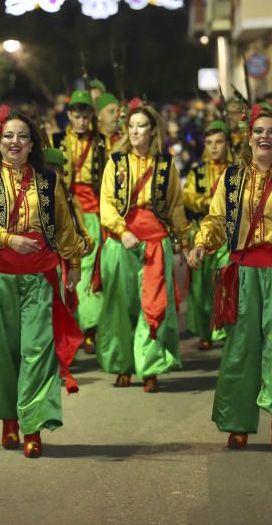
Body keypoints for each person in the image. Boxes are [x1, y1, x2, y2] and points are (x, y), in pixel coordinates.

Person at [188, 109, 272, 458]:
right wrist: (203, 244)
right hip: (244, 273)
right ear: (248, 138)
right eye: (259, 131)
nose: (265, 137)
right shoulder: (232, 178)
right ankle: (237, 423)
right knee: (241, 352)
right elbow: (217, 218)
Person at [0, 109, 85, 458]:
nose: (15, 142)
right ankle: (8, 421)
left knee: (38, 352)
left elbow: (64, 226)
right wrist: (8, 239)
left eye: (22, 136)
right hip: (0, 278)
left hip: (40, 278)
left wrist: (73, 262)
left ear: (32, 144)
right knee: (3, 354)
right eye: (8, 136)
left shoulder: (48, 182)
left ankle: (32, 426)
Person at [94, 103, 190, 392]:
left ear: (153, 131)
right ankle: (123, 365)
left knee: (154, 304)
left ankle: (149, 367)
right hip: (121, 242)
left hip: (155, 242)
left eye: (141, 126)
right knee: (120, 307)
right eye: (131, 126)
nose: (135, 131)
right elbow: (106, 202)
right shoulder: (116, 162)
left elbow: (175, 206)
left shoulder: (165, 165)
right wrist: (121, 231)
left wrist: (185, 241)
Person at [52, 90, 107, 353]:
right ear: (69, 115)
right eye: (77, 115)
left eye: (86, 115)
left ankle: (90, 327)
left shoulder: (101, 143)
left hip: (92, 213)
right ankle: (69, 325)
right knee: (64, 273)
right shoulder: (55, 140)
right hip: (63, 213)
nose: (82, 121)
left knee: (87, 272)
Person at [181, 120, 232, 350]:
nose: (214, 147)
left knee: (224, 282)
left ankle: (222, 329)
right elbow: (189, 197)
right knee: (201, 287)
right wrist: (213, 204)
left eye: (219, 142)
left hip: (228, 234)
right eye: (209, 142)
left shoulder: (236, 170)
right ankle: (204, 331)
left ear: (227, 144)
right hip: (202, 230)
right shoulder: (197, 170)